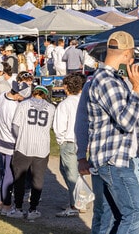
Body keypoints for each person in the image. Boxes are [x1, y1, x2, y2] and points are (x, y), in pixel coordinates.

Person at [82, 31, 139, 234]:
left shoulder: (110, 79)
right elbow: (126, 122)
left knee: (111, 219)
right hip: (115, 161)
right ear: (127, 54)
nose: (133, 60)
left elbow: (131, 122)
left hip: (111, 160)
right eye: (132, 55)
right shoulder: (107, 81)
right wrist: (137, 88)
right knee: (135, 215)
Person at [8, 85, 56, 220]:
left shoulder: (24, 104)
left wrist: (20, 138)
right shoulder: (51, 107)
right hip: (42, 148)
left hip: (24, 145)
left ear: (33, 93)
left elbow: (15, 125)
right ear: (45, 95)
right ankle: (33, 209)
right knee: (38, 179)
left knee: (19, 178)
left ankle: (17, 208)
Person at [53, 72, 85, 217]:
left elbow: (59, 126)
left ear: (66, 87)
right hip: (82, 142)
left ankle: (76, 204)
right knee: (71, 171)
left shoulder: (64, 104)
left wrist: (61, 141)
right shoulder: (84, 102)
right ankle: (79, 199)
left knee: (71, 175)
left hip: (69, 141)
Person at [0, 84, 25, 216]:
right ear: (18, 94)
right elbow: (15, 128)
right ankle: (6, 205)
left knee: (4, 172)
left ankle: (2, 201)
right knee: (9, 175)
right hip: (10, 143)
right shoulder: (14, 107)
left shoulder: (2, 96)